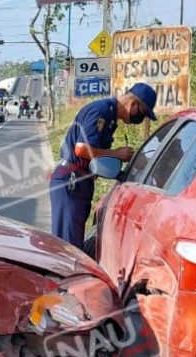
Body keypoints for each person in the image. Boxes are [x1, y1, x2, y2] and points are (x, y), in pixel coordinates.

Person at [49, 83, 158, 248]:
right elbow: (81, 149)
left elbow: (97, 156)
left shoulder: (110, 117)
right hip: (71, 182)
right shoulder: (101, 111)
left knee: (73, 246)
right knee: (67, 249)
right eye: (142, 114)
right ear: (134, 104)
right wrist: (117, 154)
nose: (140, 120)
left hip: (80, 182)